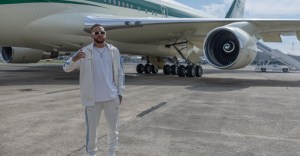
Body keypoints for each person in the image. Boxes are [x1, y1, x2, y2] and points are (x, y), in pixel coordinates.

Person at [63, 24, 125, 156]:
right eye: (96, 33)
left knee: (113, 129)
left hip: (111, 98)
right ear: (91, 36)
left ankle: (112, 153)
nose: (99, 35)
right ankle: (92, 153)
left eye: (101, 32)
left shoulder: (114, 50)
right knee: (92, 130)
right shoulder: (84, 51)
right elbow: (66, 68)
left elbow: (120, 73)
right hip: (92, 99)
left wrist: (120, 93)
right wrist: (74, 59)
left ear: (105, 34)